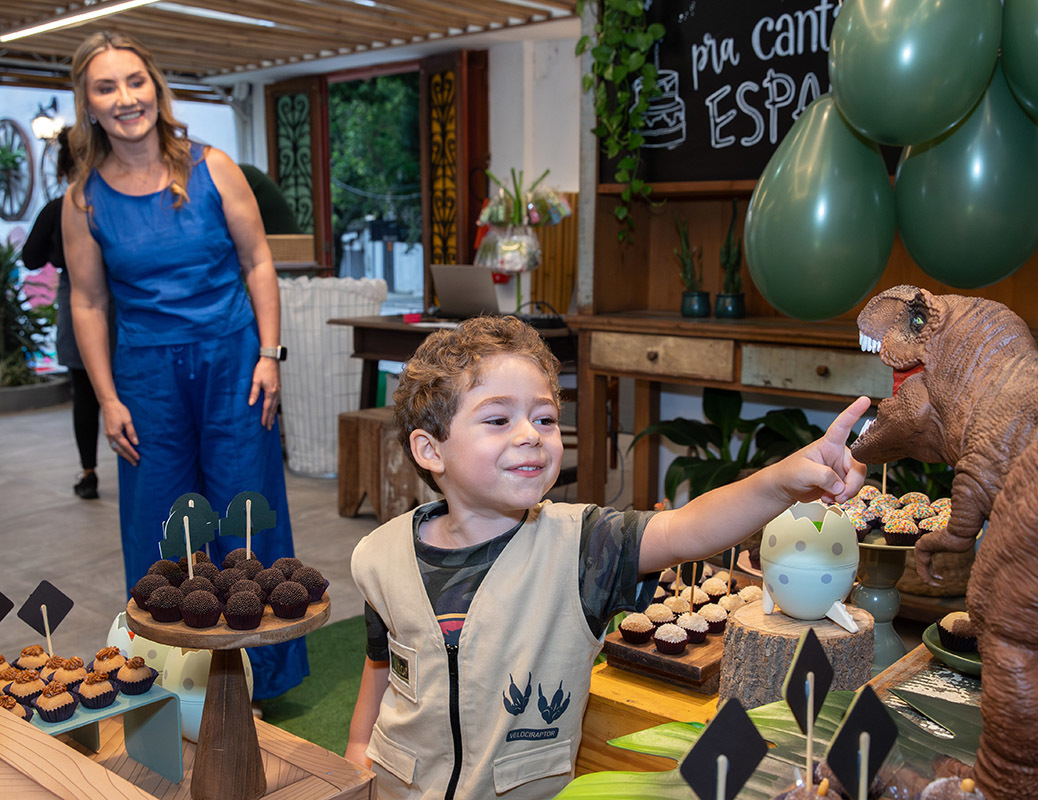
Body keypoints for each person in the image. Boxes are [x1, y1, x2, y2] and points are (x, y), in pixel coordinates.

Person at [345, 315, 870, 799]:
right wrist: (354, 760)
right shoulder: (381, 556)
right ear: (430, 450)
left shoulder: (585, 545)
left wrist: (780, 482)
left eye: (545, 418)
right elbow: (383, 666)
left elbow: (688, 529)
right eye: (499, 419)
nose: (531, 435)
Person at [61, 31, 307, 700]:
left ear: (156, 87)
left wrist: (268, 354)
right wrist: (108, 398)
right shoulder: (82, 200)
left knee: (244, 507)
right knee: (157, 522)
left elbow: (259, 262)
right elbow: (87, 302)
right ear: (87, 102)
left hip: (233, 361)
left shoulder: (213, 167)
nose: (125, 98)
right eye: (106, 87)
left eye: (135, 81)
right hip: (146, 376)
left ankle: (265, 676)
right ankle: (167, 678)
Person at [22, 126, 114, 499]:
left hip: (75, 294)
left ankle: (89, 473)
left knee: (85, 393)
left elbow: (30, 258)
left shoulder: (57, 208)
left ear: (63, 169)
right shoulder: (113, 203)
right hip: (119, 299)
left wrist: (58, 252)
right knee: (131, 389)